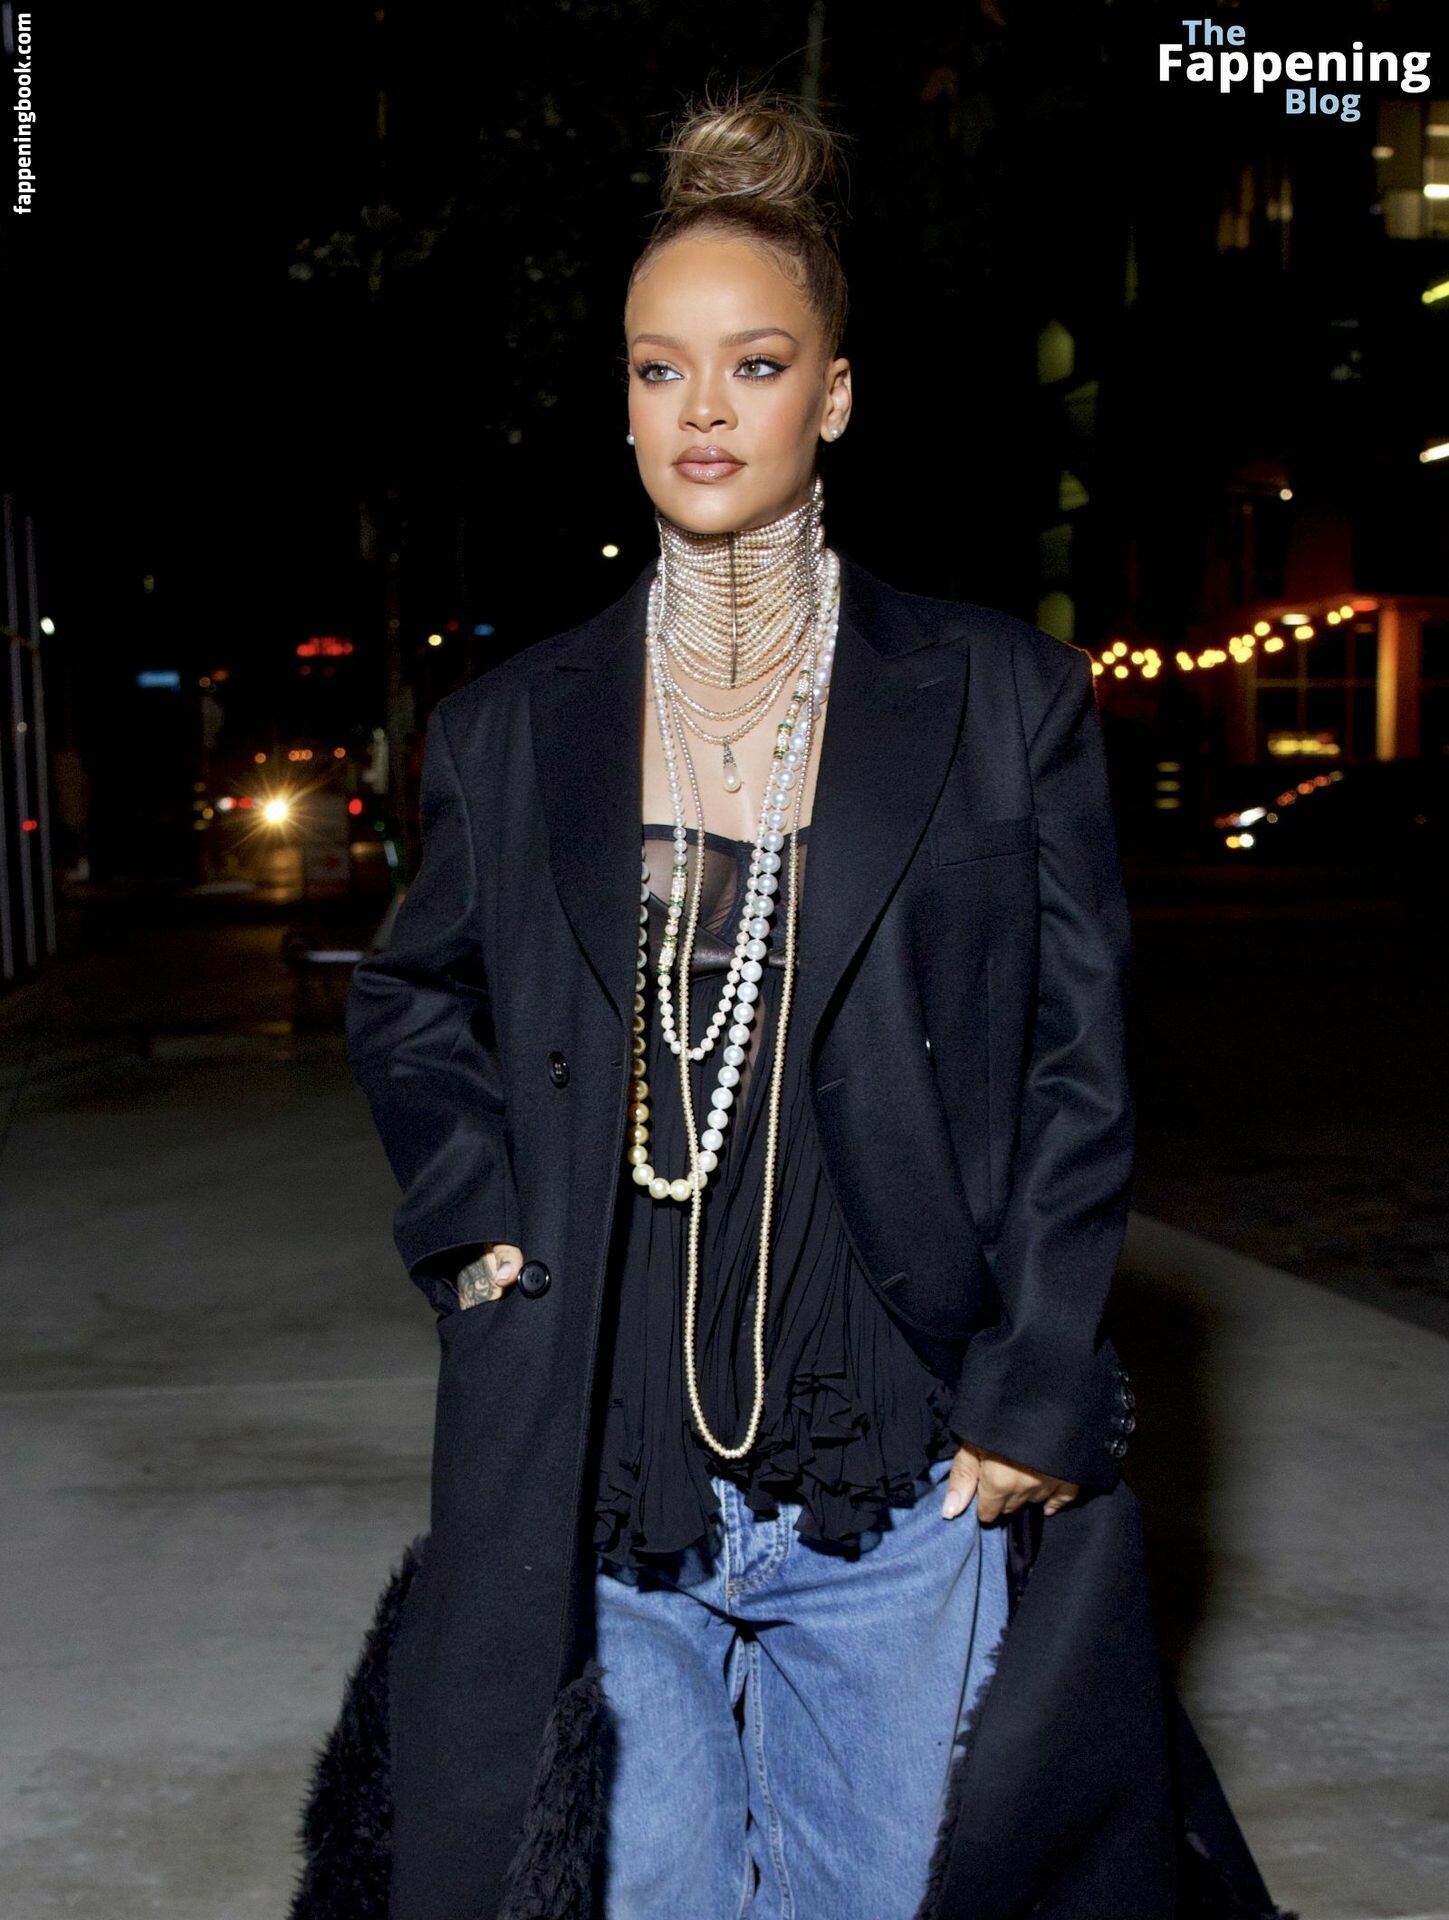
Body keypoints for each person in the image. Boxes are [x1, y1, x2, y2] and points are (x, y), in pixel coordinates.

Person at [287, 87, 1293, 1920]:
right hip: (600, 1454)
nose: (702, 410)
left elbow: (1076, 1068)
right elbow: (412, 996)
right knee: (644, 1886)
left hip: (896, 1451)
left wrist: (1037, 1378)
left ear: (831, 394)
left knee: (887, 1891)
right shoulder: (511, 732)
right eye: (656, 369)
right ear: (620, 400)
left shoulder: (996, 698)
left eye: (753, 365)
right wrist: (478, 1222)